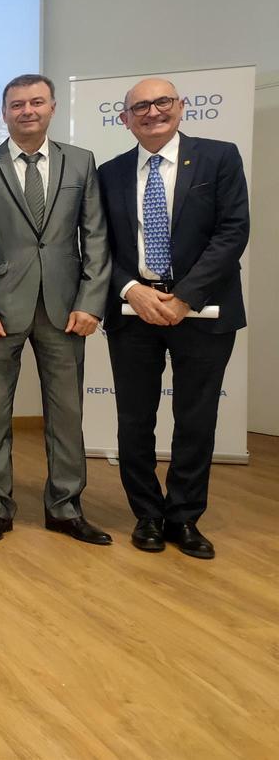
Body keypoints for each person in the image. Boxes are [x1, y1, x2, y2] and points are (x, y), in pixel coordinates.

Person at [99, 78, 249, 559]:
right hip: (133, 309)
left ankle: (184, 517)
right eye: (139, 106)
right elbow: (98, 246)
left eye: (162, 102)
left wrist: (183, 297)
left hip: (203, 311)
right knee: (134, 420)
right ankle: (146, 514)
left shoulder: (219, 157)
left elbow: (232, 232)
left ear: (181, 108)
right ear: (124, 119)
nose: (152, 112)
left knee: (196, 419)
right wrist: (130, 288)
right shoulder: (109, 173)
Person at [0, 74, 112, 545]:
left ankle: (66, 508)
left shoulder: (81, 162)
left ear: (51, 108)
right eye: (17, 104)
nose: (27, 111)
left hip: (66, 309)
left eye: (36, 103)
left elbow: (97, 237)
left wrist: (91, 302)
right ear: (3, 112)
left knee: (67, 413)